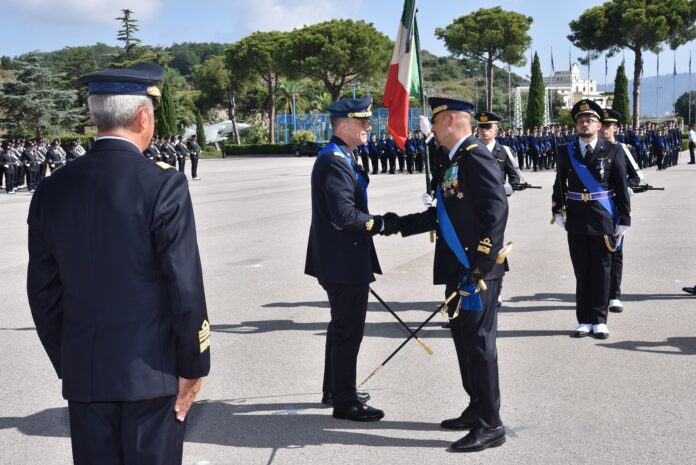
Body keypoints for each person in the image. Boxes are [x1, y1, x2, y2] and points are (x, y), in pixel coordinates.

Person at [26, 62, 210, 465]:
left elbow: (42, 294)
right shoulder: (163, 184)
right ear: (144, 115)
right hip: (152, 375)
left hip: (86, 376)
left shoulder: (51, 189)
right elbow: (185, 288)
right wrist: (194, 365)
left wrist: (72, 359)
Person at [395, 97, 509, 452]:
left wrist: (482, 264)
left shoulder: (474, 155)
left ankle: (491, 424)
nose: (430, 128)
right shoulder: (455, 158)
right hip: (459, 268)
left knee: (479, 345)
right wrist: (395, 225)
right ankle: (477, 407)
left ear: (450, 122)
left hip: (476, 270)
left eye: (435, 121)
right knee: (463, 341)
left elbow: (496, 209)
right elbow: (443, 213)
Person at [304, 96, 399, 422]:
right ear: (342, 125)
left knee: (340, 325)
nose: (368, 127)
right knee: (349, 330)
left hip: (340, 257)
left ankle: (335, 388)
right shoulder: (333, 161)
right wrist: (381, 223)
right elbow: (345, 214)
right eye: (362, 122)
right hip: (342, 260)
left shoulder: (341, 155)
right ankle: (345, 401)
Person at [551, 99, 631, 340]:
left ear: (599, 125)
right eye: (581, 120)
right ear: (576, 125)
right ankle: (583, 320)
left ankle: (599, 319)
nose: (585, 124)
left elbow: (621, 185)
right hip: (576, 218)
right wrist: (556, 209)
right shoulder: (566, 150)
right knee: (582, 270)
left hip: (603, 217)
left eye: (590, 120)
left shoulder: (613, 150)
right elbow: (560, 183)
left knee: (602, 270)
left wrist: (624, 218)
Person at [599, 109, 642, 314]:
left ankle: (614, 294)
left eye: (609, 125)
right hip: (593, 209)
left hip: (614, 208)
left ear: (616, 127)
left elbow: (636, 177)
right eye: (603, 124)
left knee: (615, 252)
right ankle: (598, 294)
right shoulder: (589, 148)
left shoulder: (623, 149)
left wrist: (627, 189)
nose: (606, 129)